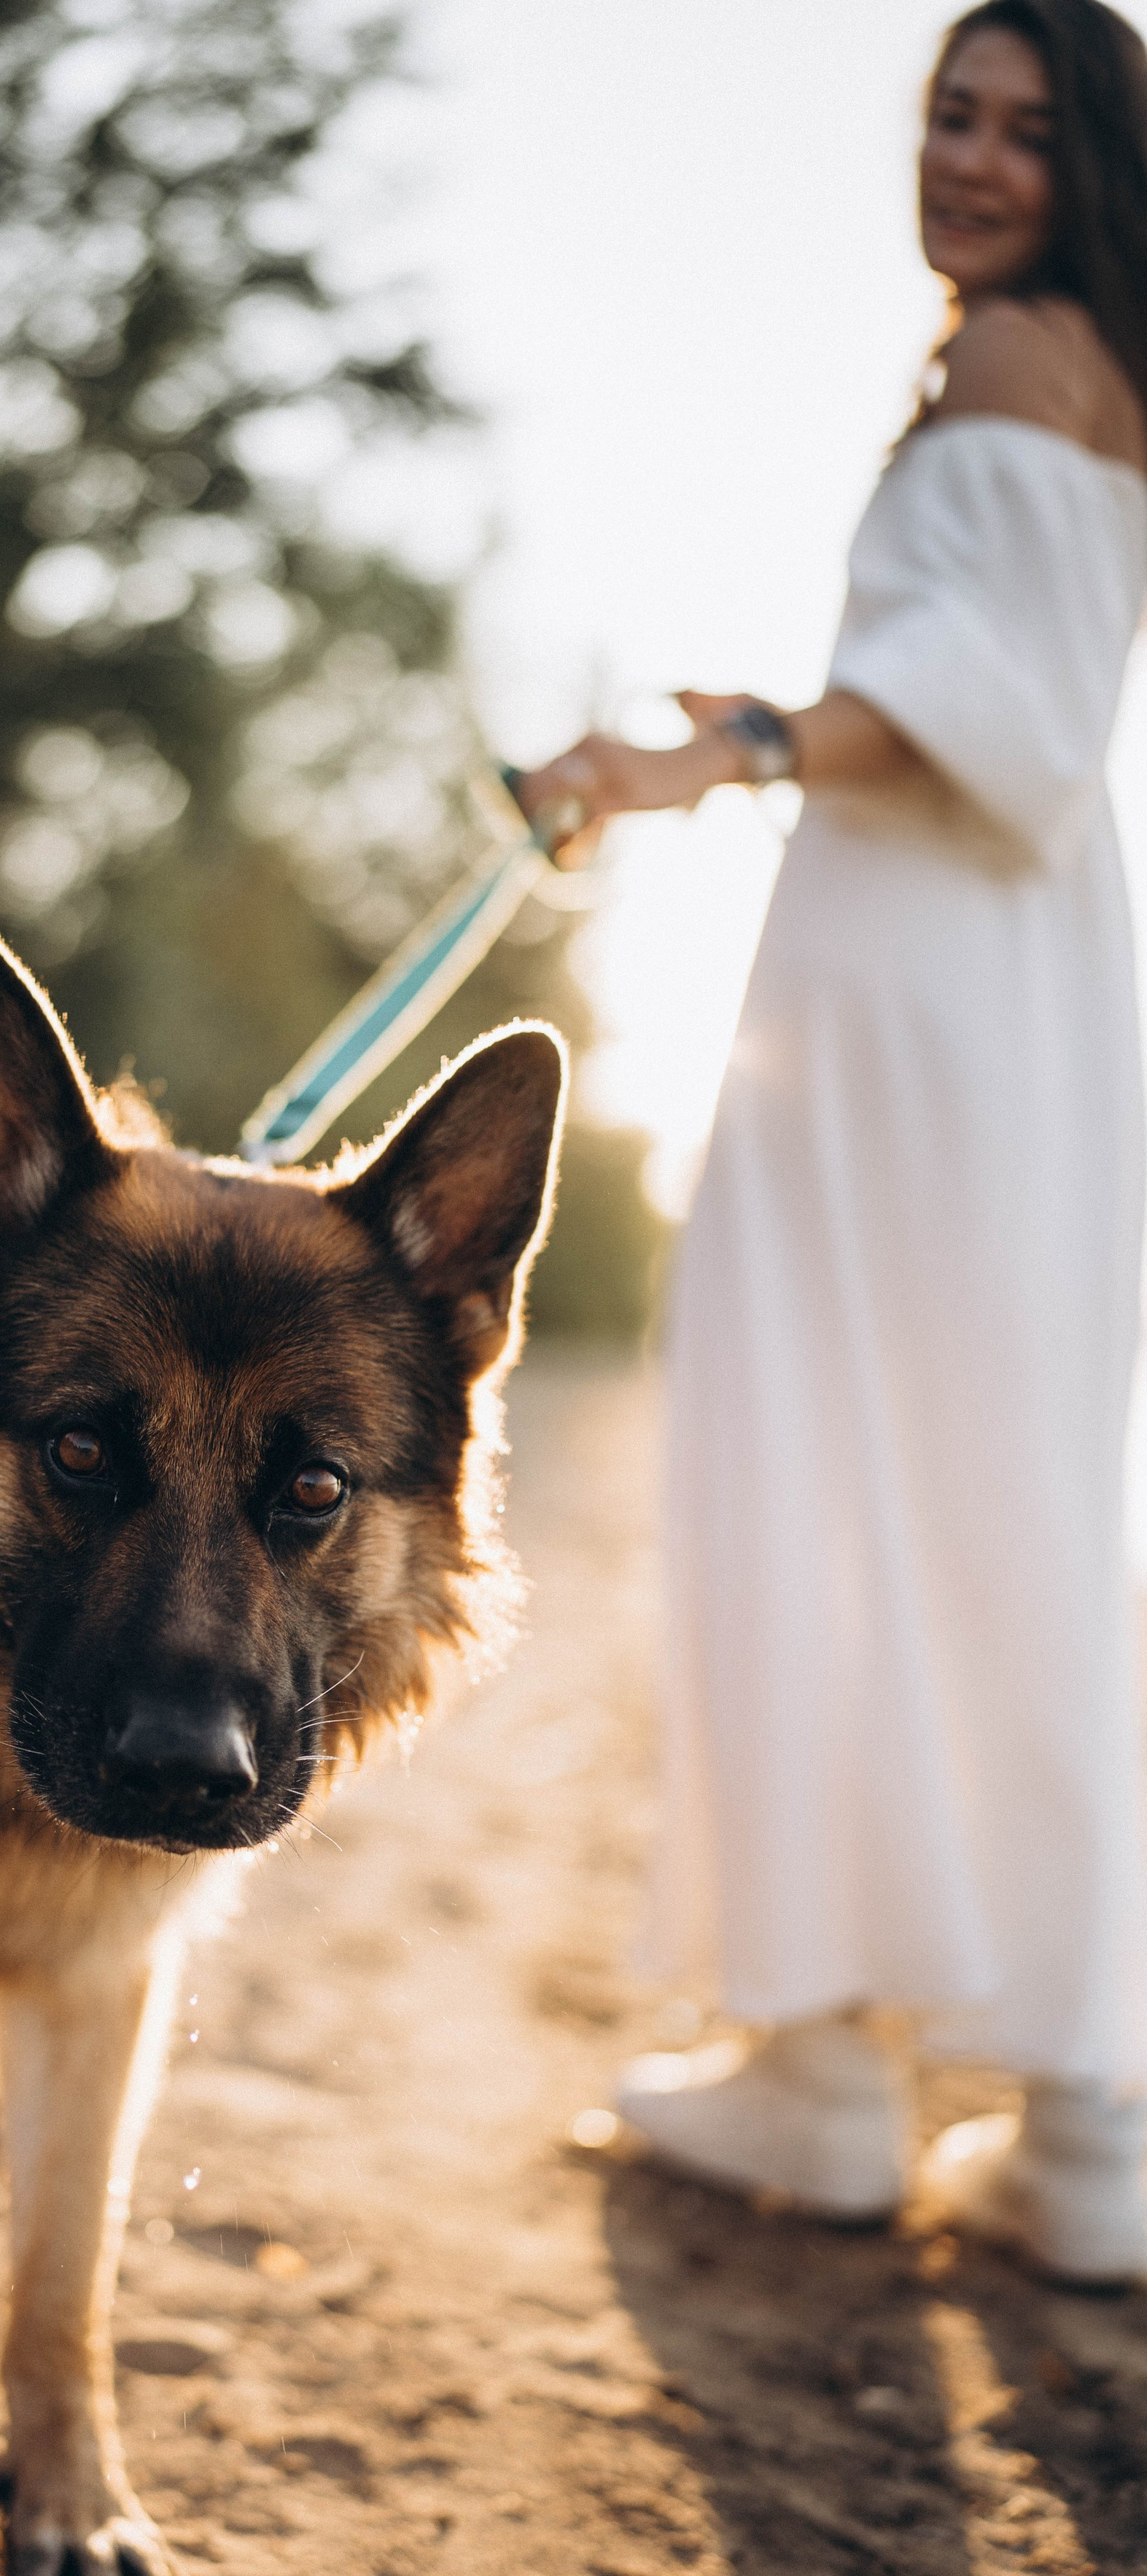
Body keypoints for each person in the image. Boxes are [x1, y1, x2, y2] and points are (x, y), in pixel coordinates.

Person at [521, 0, 1147, 2282]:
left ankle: (822, 2078)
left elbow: (1015, 724)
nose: (972, 160)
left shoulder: (1018, 370)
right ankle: (1079, 2121)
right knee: (994, 1508)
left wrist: (732, 750)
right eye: (945, 115)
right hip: (1012, 1012)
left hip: (911, 1014)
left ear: (1093, 166)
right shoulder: (1077, 373)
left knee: (820, 1476)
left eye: (1024, 128)